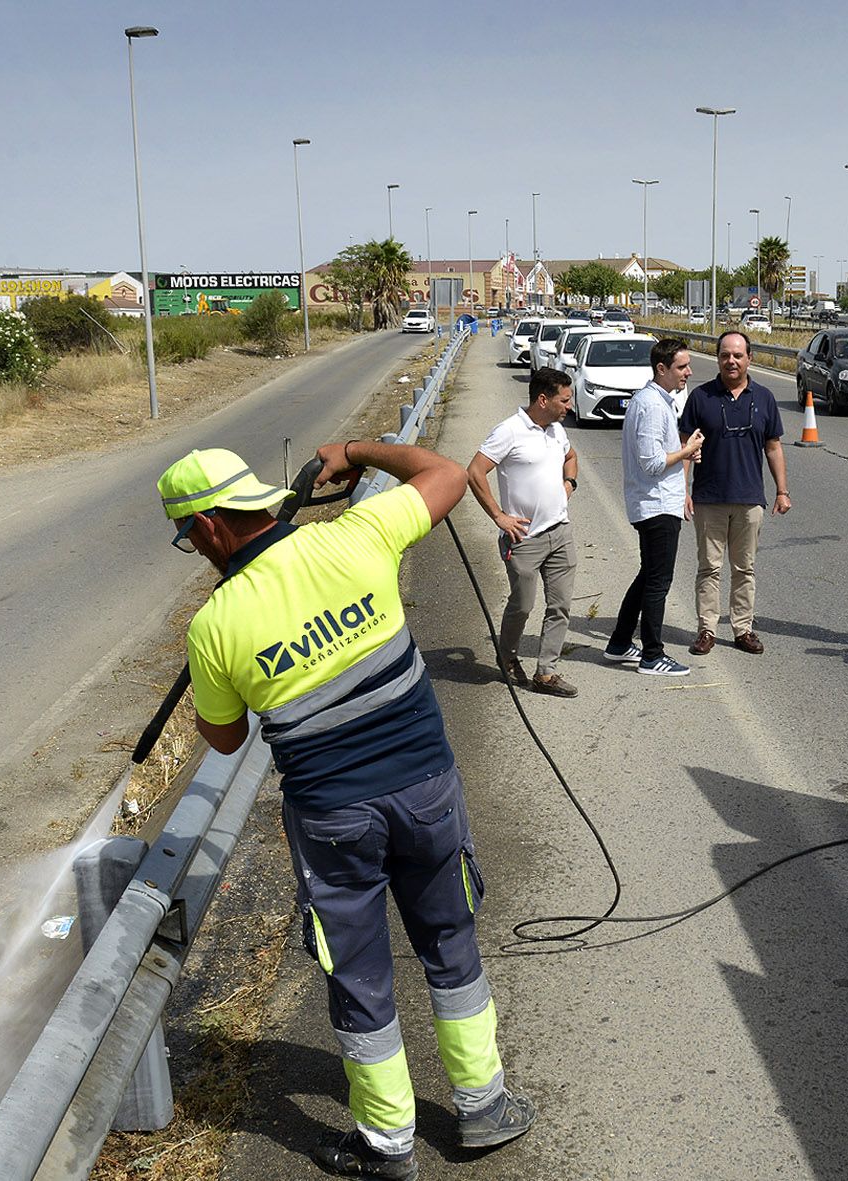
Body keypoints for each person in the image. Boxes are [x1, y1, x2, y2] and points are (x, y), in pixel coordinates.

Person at [157, 443, 533, 1180]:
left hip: (334, 820)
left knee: (359, 976)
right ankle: (484, 1105)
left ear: (206, 528)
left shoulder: (214, 625)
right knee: (451, 942)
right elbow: (450, 475)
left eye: (186, 536)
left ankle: (388, 1146)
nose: (192, 550)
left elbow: (226, 738)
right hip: (426, 788)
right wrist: (359, 451)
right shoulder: (356, 535)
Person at [466, 367, 581, 697]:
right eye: (564, 400)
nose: (568, 406)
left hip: (560, 532)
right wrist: (500, 517)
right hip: (524, 539)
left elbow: (570, 457)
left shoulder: (557, 431)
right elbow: (475, 472)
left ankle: (546, 672)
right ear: (543, 400)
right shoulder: (510, 431)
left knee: (560, 606)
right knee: (522, 605)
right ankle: (508, 656)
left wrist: (569, 482)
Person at [678, 330, 790, 656]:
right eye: (725, 355)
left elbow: (773, 447)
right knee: (709, 568)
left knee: (744, 568)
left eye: (738, 355)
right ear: (718, 359)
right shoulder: (701, 397)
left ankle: (743, 629)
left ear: (749, 359)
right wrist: (682, 490)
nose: (731, 361)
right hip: (709, 498)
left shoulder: (765, 398)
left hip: (749, 498)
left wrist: (782, 491)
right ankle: (707, 630)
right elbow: (686, 445)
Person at [603, 337, 705, 676]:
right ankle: (652, 655)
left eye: (688, 365)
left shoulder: (657, 401)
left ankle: (619, 642)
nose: (688, 372)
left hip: (659, 502)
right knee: (659, 582)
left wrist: (683, 452)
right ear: (661, 369)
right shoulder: (651, 405)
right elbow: (651, 463)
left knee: (648, 576)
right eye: (681, 367)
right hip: (656, 505)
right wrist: (686, 451)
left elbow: (662, 455)